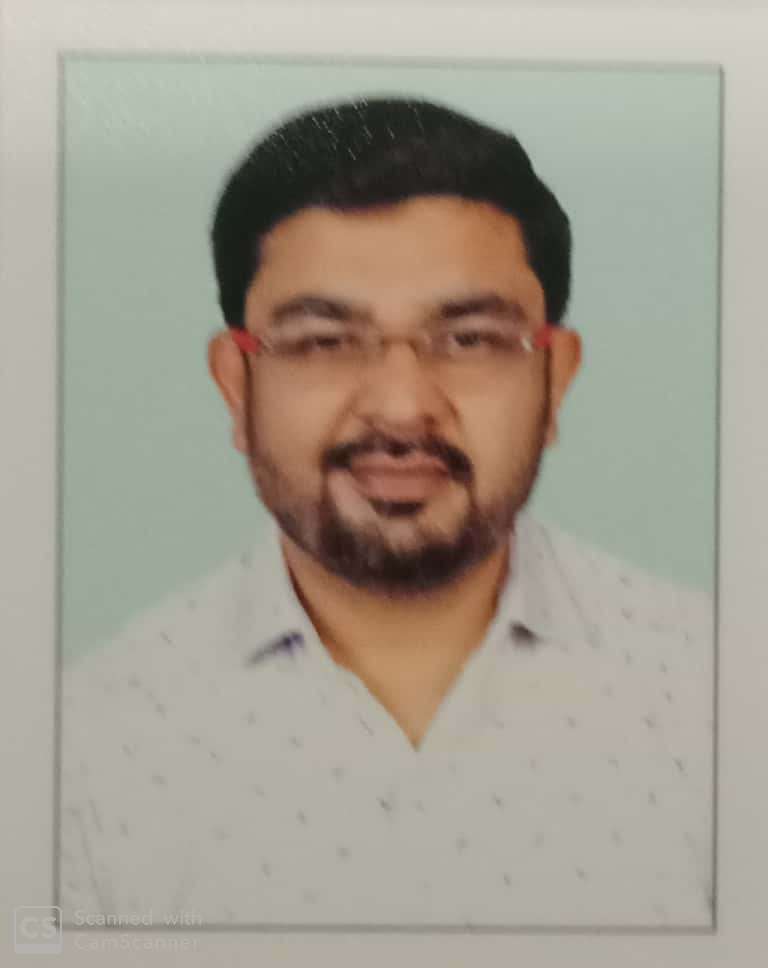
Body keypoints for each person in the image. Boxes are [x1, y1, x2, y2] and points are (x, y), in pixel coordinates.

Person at [60, 96, 713, 928]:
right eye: (323, 341)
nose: (403, 409)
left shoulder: (718, 696)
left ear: (555, 380)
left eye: (470, 339)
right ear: (236, 385)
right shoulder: (83, 747)